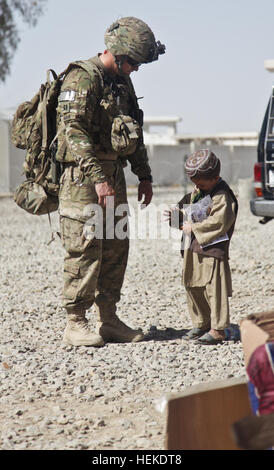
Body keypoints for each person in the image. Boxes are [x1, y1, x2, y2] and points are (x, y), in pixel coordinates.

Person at [56, 17, 165, 347]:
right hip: (83, 178)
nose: (135, 69)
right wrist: (98, 179)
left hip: (113, 175)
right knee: (86, 246)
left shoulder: (121, 82)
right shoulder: (82, 77)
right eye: (132, 62)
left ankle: (109, 319)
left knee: (116, 245)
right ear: (117, 53)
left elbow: (134, 130)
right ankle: (75, 322)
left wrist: (143, 175)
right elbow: (72, 131)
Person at [165, 149, 238, 345]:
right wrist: (175, 215)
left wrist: (194, 227)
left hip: (213, 250)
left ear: (215, 178)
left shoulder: (222, 195)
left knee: (215, 289)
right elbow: (186, 210)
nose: (197, 186)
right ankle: (202, 322)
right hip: (193, 248)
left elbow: (220, 221)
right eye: (195, 183)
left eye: (202, 183)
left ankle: (219, 328)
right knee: (192, 283)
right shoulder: (198, 191)